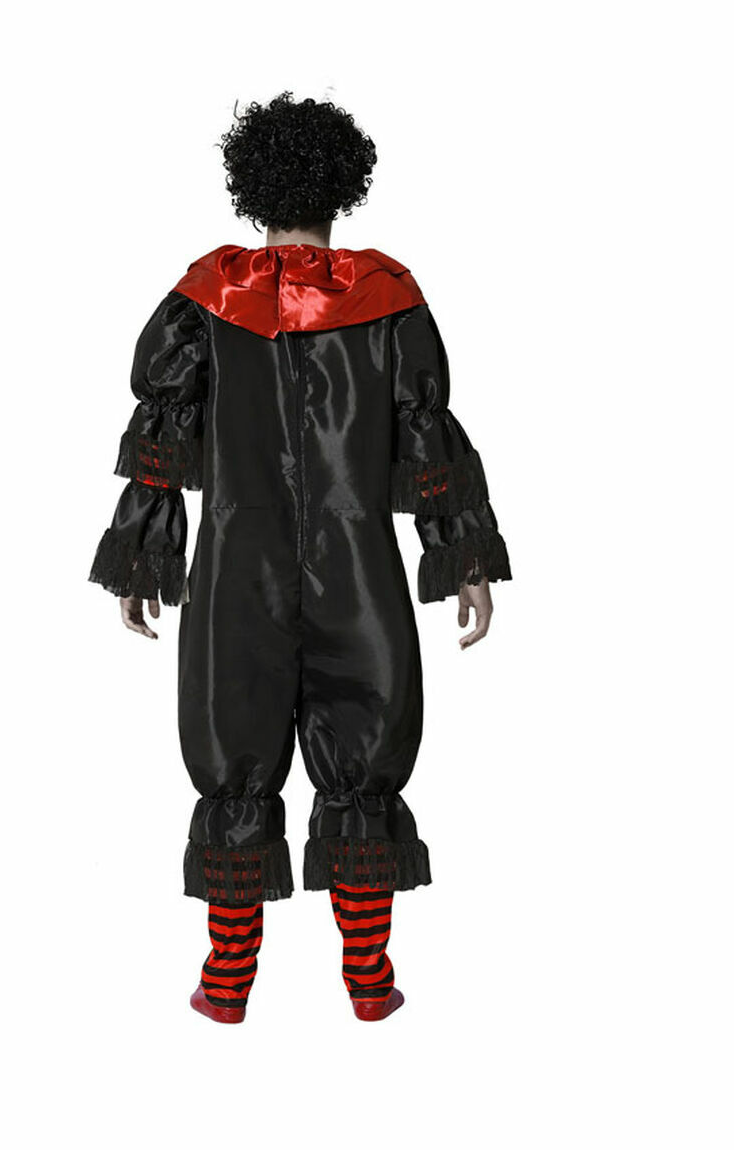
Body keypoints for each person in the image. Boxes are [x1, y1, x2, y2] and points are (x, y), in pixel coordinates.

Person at [89, 92, 511, 1023]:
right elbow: (427, 432)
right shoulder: (389, 297)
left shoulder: (207, 298)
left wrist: (143, 555)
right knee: (366, 750)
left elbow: (161, 427)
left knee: (232, 756)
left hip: (235, 566)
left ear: (252, 184)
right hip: (359, 567)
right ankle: (368, 980)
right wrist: (465, 560)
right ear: (343, 185)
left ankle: (227, 982)